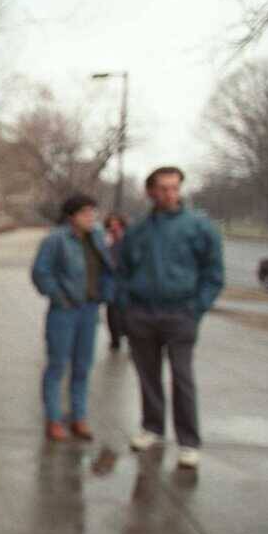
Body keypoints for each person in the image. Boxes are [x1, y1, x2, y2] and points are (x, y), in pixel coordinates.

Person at [115, 166, 224, 469]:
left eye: (175, 188)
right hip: (142, 313)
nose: (170, 194)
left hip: (180, 313)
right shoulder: (138, 230)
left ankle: (189, 442)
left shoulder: (199, 228)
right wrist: (126, 308)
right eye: (163, 188)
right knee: (147, 375)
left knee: (182, 377)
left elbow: (213, 273)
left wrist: (197, 308)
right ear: (150, 191)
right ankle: (152, 427)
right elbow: (121, 271)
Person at [31, 193, 115, 442]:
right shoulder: (56, 239)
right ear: (72, 216)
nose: (91, 217)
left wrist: (105, 294)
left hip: (89, 309)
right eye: (86, 213)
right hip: (64, 311)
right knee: (57, 365)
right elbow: (41, 273)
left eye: (93, 212)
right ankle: (54, 419)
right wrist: (59, 297)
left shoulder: (96, 237)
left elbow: (107, 268)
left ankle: (79, 416)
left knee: (82, 366)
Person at [103, 212, 129, 350]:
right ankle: (115, 340)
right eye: (111, 225)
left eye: (117, 225)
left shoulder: (129, 241)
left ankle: (129, 339)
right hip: (111, 285)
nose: (114, 228)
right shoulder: (105, 242)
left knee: (127, 314)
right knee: (112, 314)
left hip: (126, 284)